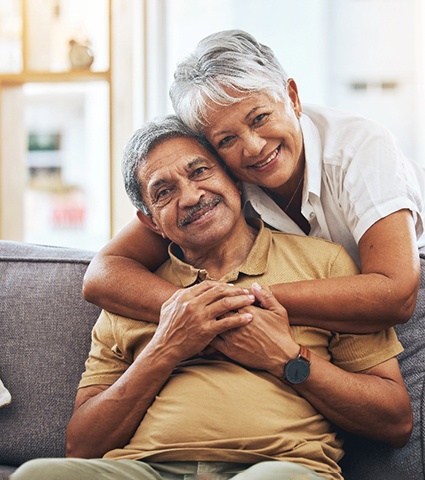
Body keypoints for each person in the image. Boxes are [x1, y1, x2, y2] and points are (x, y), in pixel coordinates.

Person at [12, 116, 412, 480]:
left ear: (236, 181)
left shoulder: (323, 265)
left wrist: (287, 358)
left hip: (275, 469)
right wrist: (165, 348)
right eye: (164, 192)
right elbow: (80, 446)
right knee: (37, 474)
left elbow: (395, 421)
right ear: (151, 221)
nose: (189, 197)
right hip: (143, 470)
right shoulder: (133, 294)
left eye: (199, 171)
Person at [82, 29, 425, 334]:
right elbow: (103, 274)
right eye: (226, 139)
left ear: (292, 97)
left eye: (260, 118)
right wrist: (194, 310)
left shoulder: (361, 148)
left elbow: (397, 295)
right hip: (299, 322)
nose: (254, 147)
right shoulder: (220, 177)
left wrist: (237, 300)